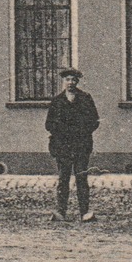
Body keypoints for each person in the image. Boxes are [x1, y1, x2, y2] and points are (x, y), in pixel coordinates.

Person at [44, 67, 100, 222]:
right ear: (64, 81)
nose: (70, 83)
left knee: (81, 178)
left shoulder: (85, 98)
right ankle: (61, 212)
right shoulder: (57, 101)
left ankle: (84, 213)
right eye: (67, 79)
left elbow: (94, 121)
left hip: (81, 145)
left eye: (73, 80)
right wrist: (62, 132)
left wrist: (82, 131)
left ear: (77, 81)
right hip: (63, 147)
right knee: (63, 179)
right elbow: (49, 124)